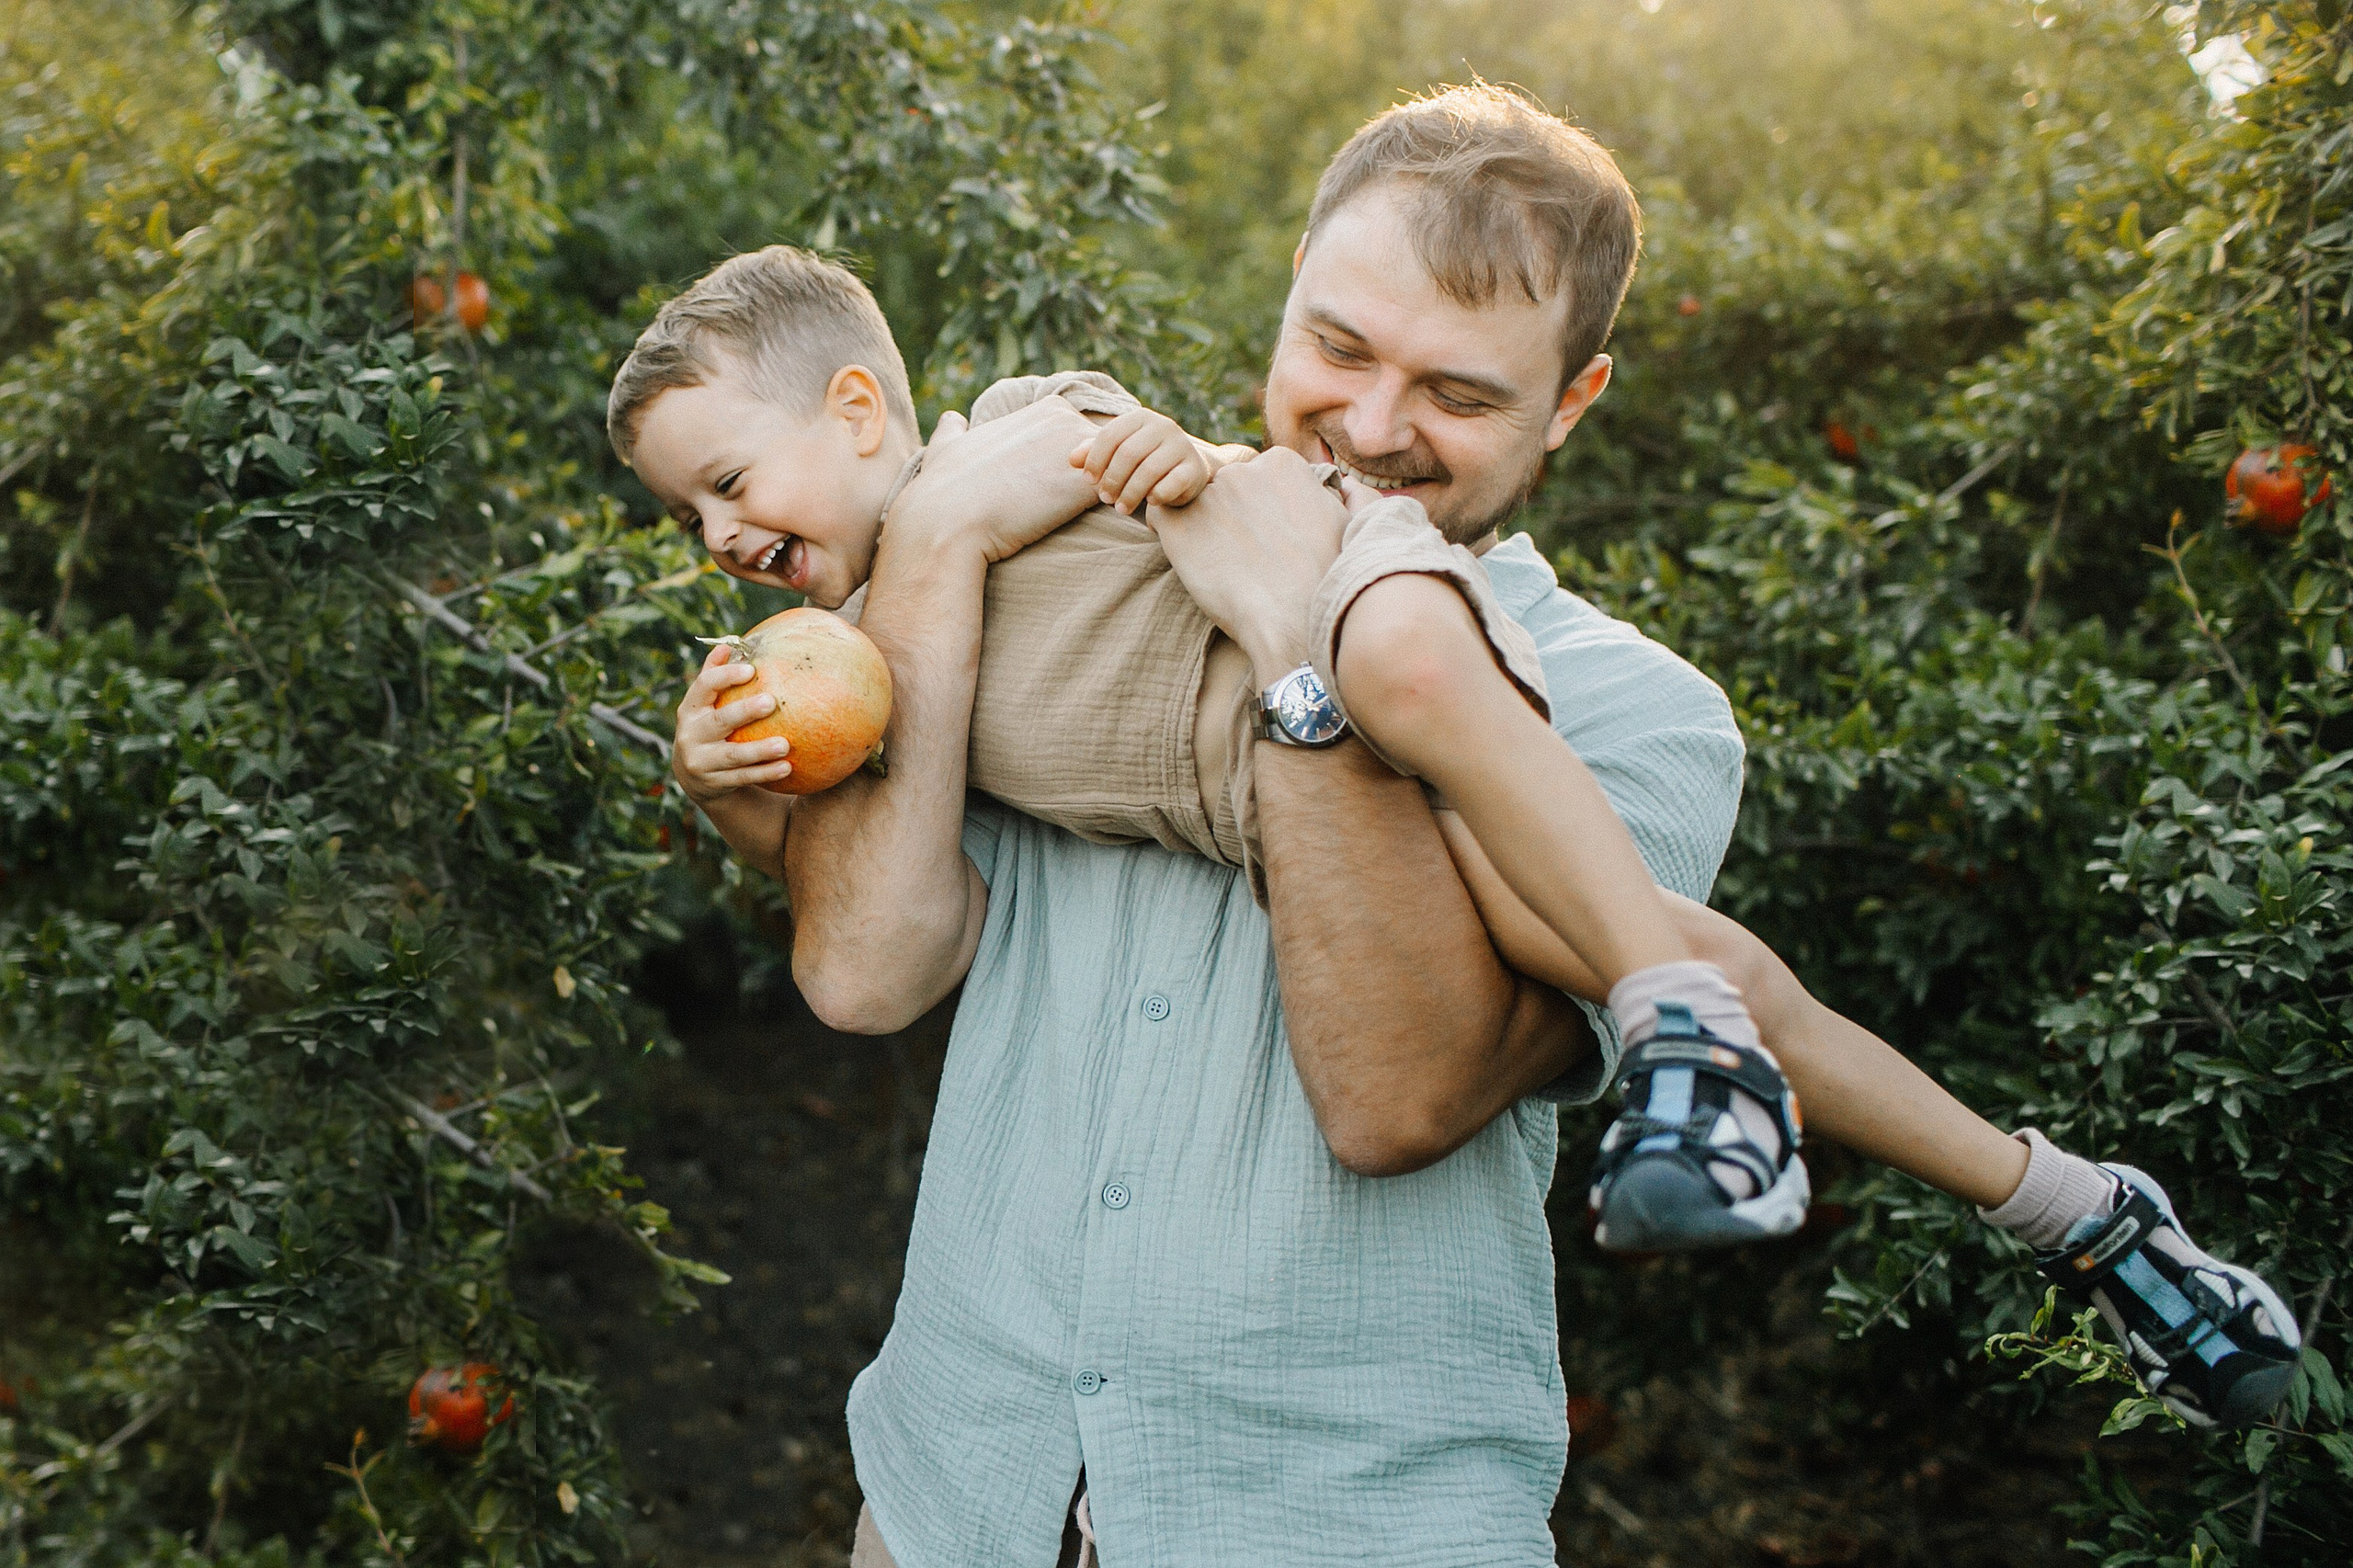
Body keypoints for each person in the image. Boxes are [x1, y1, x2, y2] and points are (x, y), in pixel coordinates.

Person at [615, 87, 2298, 1564]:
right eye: (1338, 348)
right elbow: (868, 947)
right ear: (1286, 294)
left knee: (1437, 689)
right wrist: (749, 787)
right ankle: (2073, 1206)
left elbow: (1398, 1095)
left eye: (1460, 392)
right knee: (1699, 960)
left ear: (1572, 404)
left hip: (1332, 1521)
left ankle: (1771, 1071)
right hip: (960, 1492)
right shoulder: (905, 603)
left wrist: (1286, 640)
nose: (1367, 424)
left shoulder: (1623, 702)